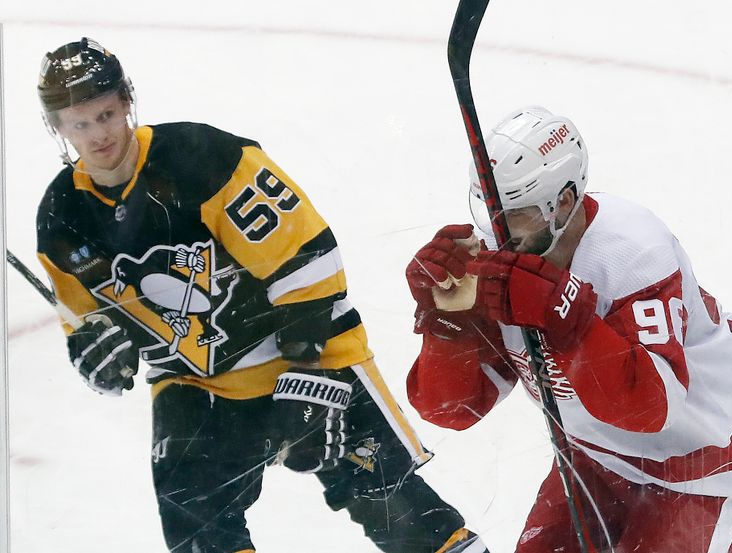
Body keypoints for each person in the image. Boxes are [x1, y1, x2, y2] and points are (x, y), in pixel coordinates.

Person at [34, 37, 490, 553]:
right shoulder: (62, 217)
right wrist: (95, 356)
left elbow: (308, 257)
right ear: (57, 127)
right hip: (196, 381)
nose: (98, 135)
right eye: (80, 123)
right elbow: (87, 322)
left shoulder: (201, 158)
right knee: (196, 526)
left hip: (303, 350)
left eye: (107, 113)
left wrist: (309, 373)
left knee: (393, 504)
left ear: (127, 102)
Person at [404, 105, 732, 553]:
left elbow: (649, 411)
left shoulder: (630, 254)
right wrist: (449, 324)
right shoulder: (493, 263)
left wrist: (564, 317)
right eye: (491, 209)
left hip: (707, 466)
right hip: (594, 459)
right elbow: (453, 410)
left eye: (517, 213)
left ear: (564, 202)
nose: (497, 230)